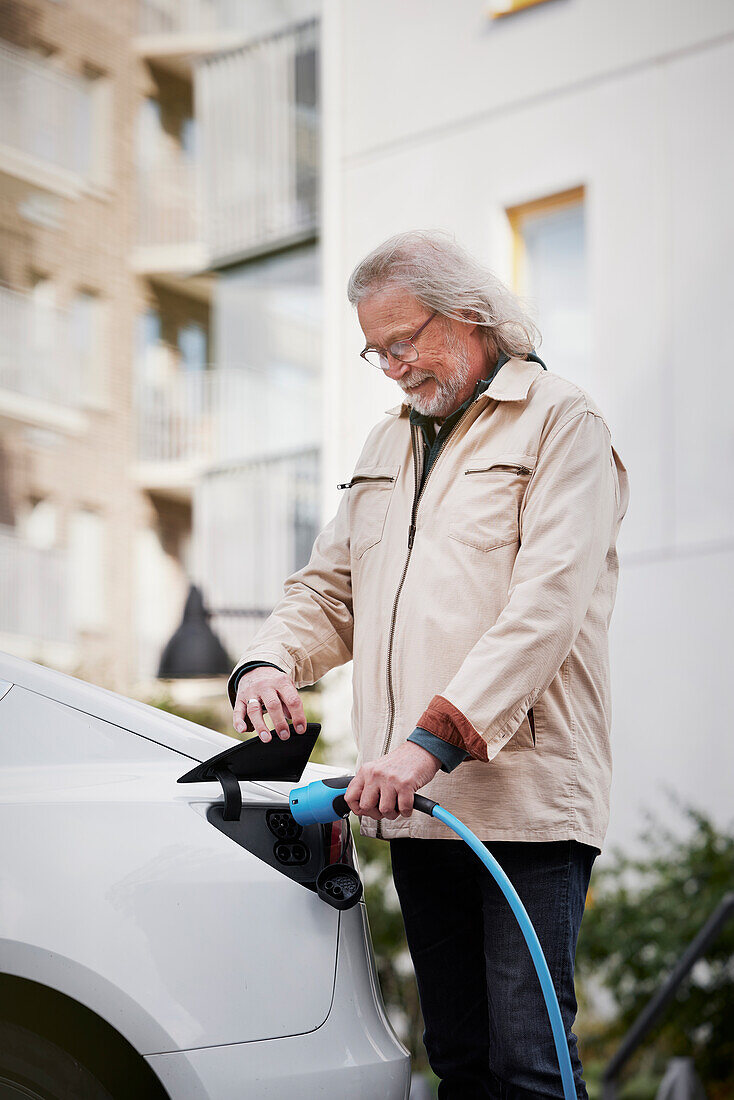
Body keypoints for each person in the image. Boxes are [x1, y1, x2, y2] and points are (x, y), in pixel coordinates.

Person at [227, 229, 630, 1099]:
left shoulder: (562, 422)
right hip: (416, 808)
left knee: (529, 1066)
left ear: (470, 315)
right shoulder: (388, 446)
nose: (392, 367)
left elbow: (544, 612)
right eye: (376, 351)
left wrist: (431, 741)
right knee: (458, 1062)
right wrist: (268, 662)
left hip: (522, 808)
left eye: (402, 342)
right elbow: (331, 590)